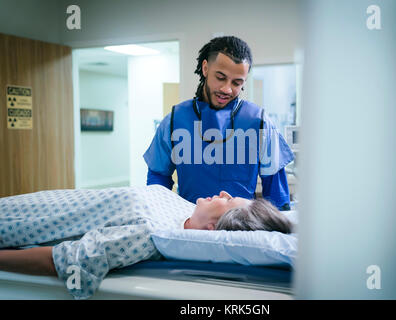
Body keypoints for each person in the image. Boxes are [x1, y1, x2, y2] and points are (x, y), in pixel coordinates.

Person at [0, 185, 292, 299]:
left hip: (13, 223)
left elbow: (64, 261)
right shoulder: (181, 209)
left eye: (228, 201)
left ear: (213, 228)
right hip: (27, 202)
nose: (224, 192)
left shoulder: (153, 236)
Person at [144, 36, 294, 211]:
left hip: (242, 229)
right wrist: (161, 218)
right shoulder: (174, 121)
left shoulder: (259, 123)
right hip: (190, 226)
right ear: (205, 68)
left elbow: (277, 194)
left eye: (237, 83)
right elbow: (157, 179)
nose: (226, 89)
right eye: (220, 77)